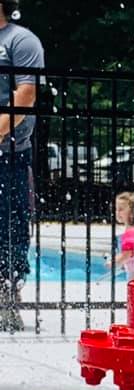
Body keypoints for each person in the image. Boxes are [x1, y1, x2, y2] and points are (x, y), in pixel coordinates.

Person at [0, 0, 43, 332]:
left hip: (10, 152)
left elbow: (25, 95)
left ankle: (6, 298)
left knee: (10, 226)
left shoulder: (20, 40)